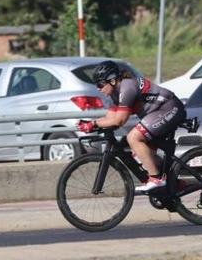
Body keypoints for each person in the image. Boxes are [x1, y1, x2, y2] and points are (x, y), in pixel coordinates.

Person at [76, 60, 185, 192]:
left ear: (112, 80)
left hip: (169, 108)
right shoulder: (114, 95)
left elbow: (119, 120)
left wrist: (93, 124)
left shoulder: (127, 87)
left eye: (100, 84)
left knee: (133, 138)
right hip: (156, 114)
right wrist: (89, 123)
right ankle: (173, 181)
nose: (98, 88)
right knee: (138, 151)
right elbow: (110, 118)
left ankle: (157, 178)